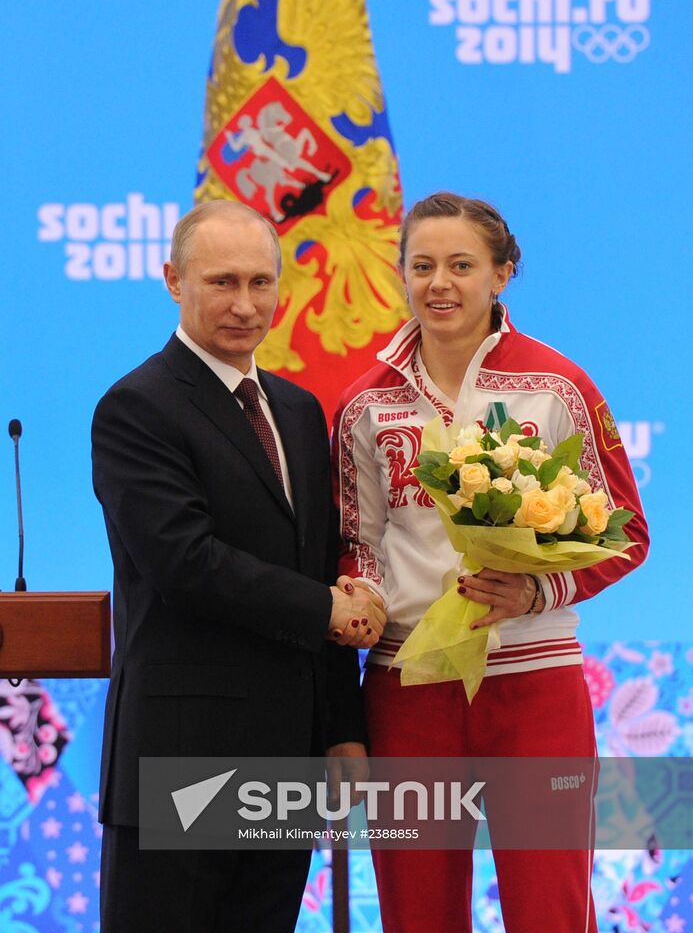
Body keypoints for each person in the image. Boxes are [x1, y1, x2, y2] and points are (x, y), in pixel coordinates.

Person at [332, 192, 649, 933]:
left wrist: (533, 594)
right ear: (400, 274)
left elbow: (628, 533)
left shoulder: (555, 385)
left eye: (461, 265)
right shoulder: (363, 405)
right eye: (422, 266)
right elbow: (358, 540)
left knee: (549, 909)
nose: (439, 283)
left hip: (533, 686)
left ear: (501, 274)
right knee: (417, 911)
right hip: (407, 683)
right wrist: (365, 594)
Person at [92, 199, 386, 933]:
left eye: (261, 282)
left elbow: (320, 562)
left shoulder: (295, 408)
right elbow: (184, 563)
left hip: (285, 765)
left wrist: (342, 728)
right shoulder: (136, 407)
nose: (244, 304)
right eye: (221, 282)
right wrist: (327, 609)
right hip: (180, 760)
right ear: (172, 281)